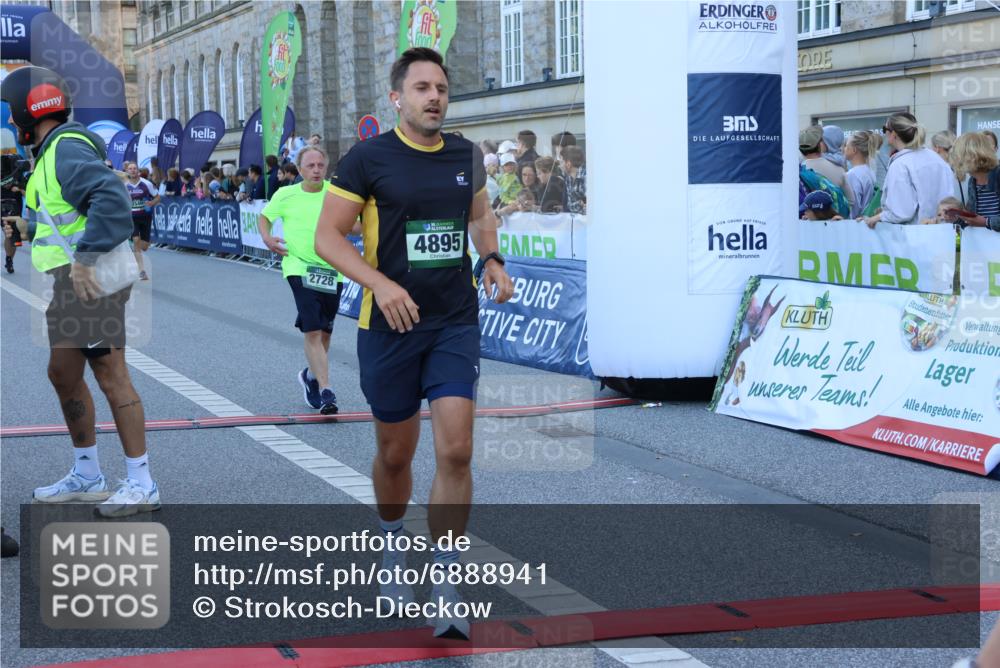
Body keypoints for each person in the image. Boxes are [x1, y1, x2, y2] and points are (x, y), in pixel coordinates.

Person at [314, 47, 514, 640]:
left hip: (453, 320)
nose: (435, 97)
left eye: (442, 89)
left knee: (456, 450)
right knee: (396, 455)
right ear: (397, 97)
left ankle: (448, 583)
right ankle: (393, 547)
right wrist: (379, 283)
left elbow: (479, 216)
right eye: (422, 88)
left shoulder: (464, 155)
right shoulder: (367, 159)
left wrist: (493, 257)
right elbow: (329, 236)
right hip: (389, 326)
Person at [1, 66, 160, 517]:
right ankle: (89, 474)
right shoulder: (52, 153)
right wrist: (25, 225)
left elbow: (111, 199)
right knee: (62, 373)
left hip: (90, 283)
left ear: (29, 111)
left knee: (111, 375)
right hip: (68, 285)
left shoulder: (66, 149)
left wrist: (86, 258)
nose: (13, 124)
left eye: (13, 115)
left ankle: (142, 482)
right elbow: (60, 217)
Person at [259, 146, 345, 415]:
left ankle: (310, 376)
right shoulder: (286, 194)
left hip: (332, 269)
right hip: (298, 266)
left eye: (321, 165)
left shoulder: (336, 193)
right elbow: (264, 217)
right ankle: (326, 389)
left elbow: (352, 222)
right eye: (310, 166)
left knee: (326, 332)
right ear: (299, 169)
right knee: (313, 330)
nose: (316, 170)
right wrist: (267, 238)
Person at [862, 113, 956, 228]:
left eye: (885, 129)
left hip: (912, 237)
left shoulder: (900, 164)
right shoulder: (937, 160)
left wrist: (878, 217)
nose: (884, 133)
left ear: (894, 134)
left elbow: (901, 212)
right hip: (942, 233)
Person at [951, 131, 1000, 232]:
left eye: (957, 155)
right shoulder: (972, 181)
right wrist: (961, 218)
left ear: (971, 155)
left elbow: (982, 221)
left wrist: (986, 222)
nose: (955, 160)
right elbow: (975, 217)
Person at [800, 125, 854, 211]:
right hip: (834, 220)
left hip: (807, 219)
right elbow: (851, 201)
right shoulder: (840, 167)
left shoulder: (800, 169)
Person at [124, 161, 159, 280]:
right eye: (130, 169)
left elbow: (158, 197)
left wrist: (151, 202)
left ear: (138, 171)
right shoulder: (124, 185)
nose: (133, 170)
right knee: (136, 240)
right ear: (127, 171)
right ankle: (141, 271)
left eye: (134, 168)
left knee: (144, 246)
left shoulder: (146, 184)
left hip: (145, 217)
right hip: (132, 218)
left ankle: (133, 248)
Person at [843, 130, 882, 218]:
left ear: (854, 150)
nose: (844, 148)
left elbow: (853, 208)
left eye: (846, 145)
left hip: (856, 224)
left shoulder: (852, 175)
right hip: (866, 220)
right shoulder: (869, 171)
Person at [1, 153, 27, 273]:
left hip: (16, 208)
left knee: (14, 236)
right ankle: (9, 259)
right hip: (3, 206)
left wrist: (19, 188)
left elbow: (27, 193)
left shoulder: (20, 176)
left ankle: (9, 258)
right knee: (8, 233)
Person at [562, 145, 587, 214]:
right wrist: (580, 203)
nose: (559, 165)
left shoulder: (586, 176)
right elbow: (570, 206)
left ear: (568, 164)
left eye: (561, 162)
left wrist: (581, 204)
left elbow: (590, 208)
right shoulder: (568, 178)